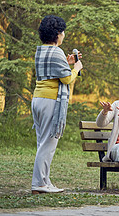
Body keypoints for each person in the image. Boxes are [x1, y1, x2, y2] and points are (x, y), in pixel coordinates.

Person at [31, 15, 83, 194]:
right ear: (58, 34)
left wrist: (67, 63)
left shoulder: (41, 50)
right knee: (48, 143)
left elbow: (52, 72)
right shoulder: (56, 52)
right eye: (63, 32)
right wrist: (76, 68)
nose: (64, 35)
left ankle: (44, 181)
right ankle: (38, 183)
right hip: (50, 100)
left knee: (42, 142)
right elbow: (67, 78)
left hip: (38, 99)